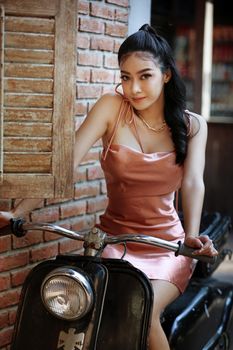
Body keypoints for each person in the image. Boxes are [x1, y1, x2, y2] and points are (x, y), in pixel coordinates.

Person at [0, 24, 218, 350]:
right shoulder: (110, 108)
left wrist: (191, 234)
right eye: (125, 76)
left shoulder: (192, 125)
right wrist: (17, 213)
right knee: (80, 312)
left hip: (166, 247)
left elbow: (191, 182)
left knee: (141, 312)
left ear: (167, 75)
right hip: (112, 242)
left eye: (145, 76)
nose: (133, 88)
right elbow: (66, 166)